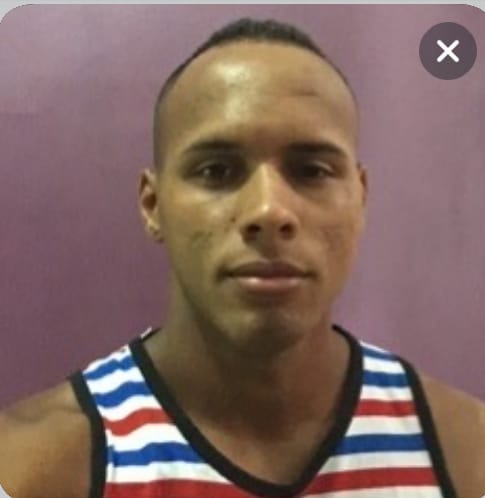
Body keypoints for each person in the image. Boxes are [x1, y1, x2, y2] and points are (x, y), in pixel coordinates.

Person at [0, 17, 483, 498]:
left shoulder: (465, 452)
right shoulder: (32, 468)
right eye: (217, 170)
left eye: (312, 170)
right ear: (153, 205)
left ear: (360, 197)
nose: (269, 211)